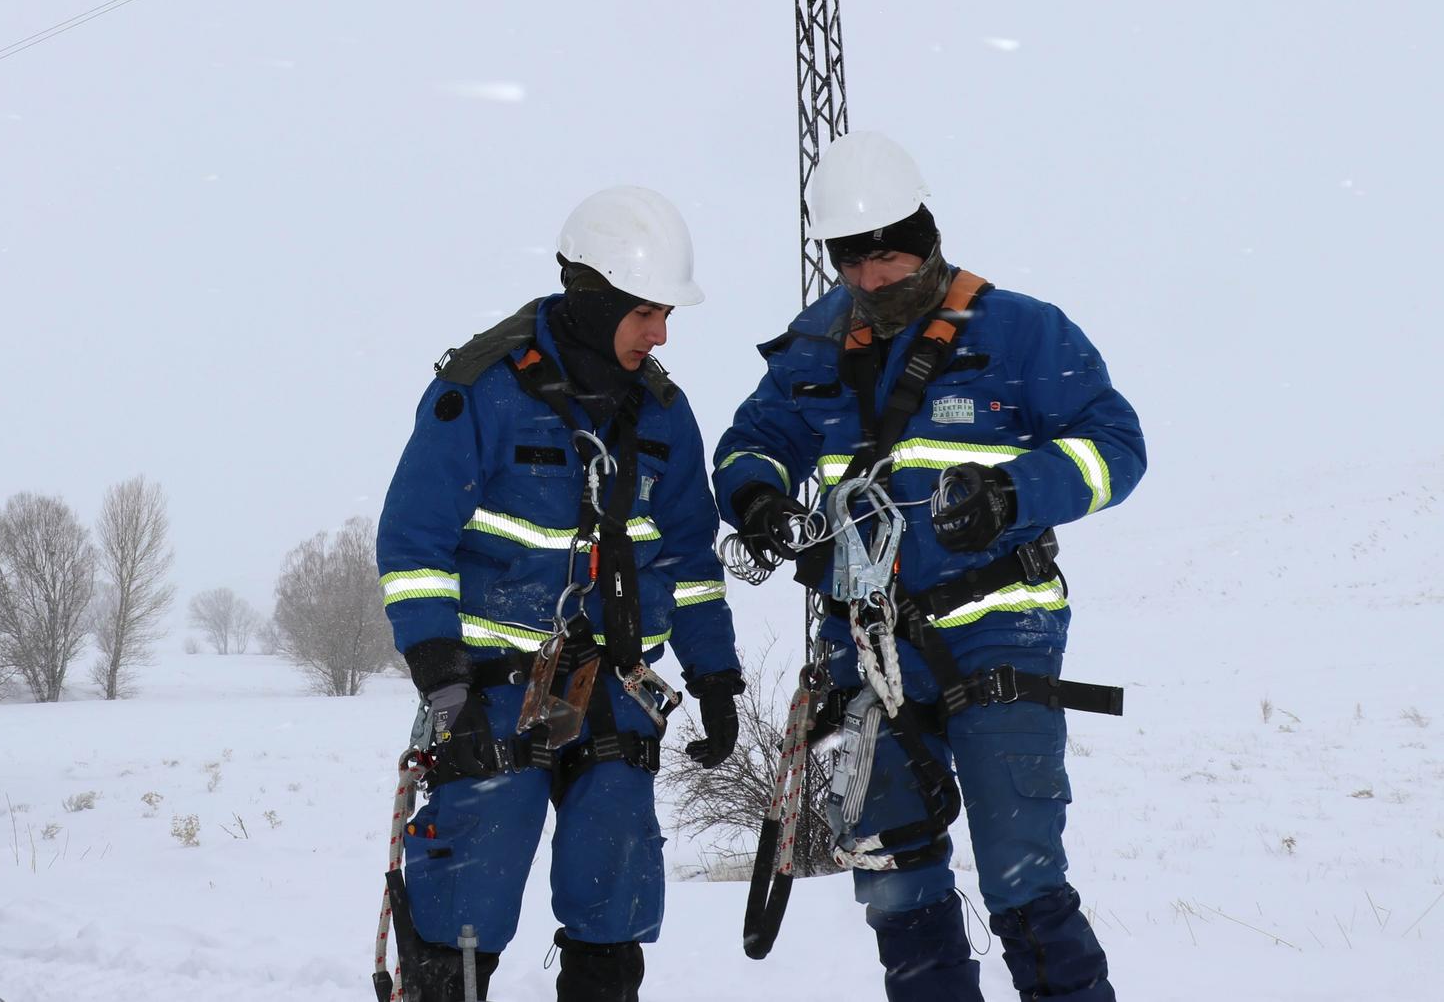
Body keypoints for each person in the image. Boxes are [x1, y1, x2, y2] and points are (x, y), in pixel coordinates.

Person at [712, 131, 1143, 1002]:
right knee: (898, 890)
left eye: (891, 257)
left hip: (997, 633)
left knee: (1025, 881)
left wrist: (1012, 491)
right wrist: (758, 498)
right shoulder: (811, 350)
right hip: (865, 650)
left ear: (927, 235)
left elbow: (1116, 446)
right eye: (853, 263)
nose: (873, 279)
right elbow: (749, 444)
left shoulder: (1020, 332)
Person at [377, 185, 743, 1002]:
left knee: (613, 900)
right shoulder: (482, 389)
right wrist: (440, 670)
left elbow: (689, 557)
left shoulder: (663, 414)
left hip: (617, 693)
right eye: (647, 311)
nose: (661, 332)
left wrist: (716, 675)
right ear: (597, 297)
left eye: (666, 315)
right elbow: (412, 541)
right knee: (465, 909)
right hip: (491, 693)